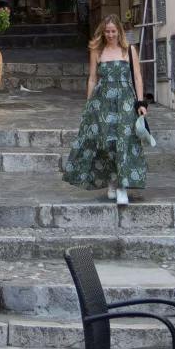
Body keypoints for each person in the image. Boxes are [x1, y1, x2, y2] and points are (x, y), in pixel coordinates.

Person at [63, 14, 147, 206]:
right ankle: (111, 181)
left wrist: (141, 103)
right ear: (103, 32)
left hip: (126, 101)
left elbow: (138, 77)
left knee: (123, 141)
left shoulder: (129, 50)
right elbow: (93, 78)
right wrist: (88, 103)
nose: (110, 35)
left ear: (119, 31)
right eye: (107, 31)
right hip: (102, 102)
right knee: (107, 142)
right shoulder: (96, 50)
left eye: (113, 31)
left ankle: (122, 187)